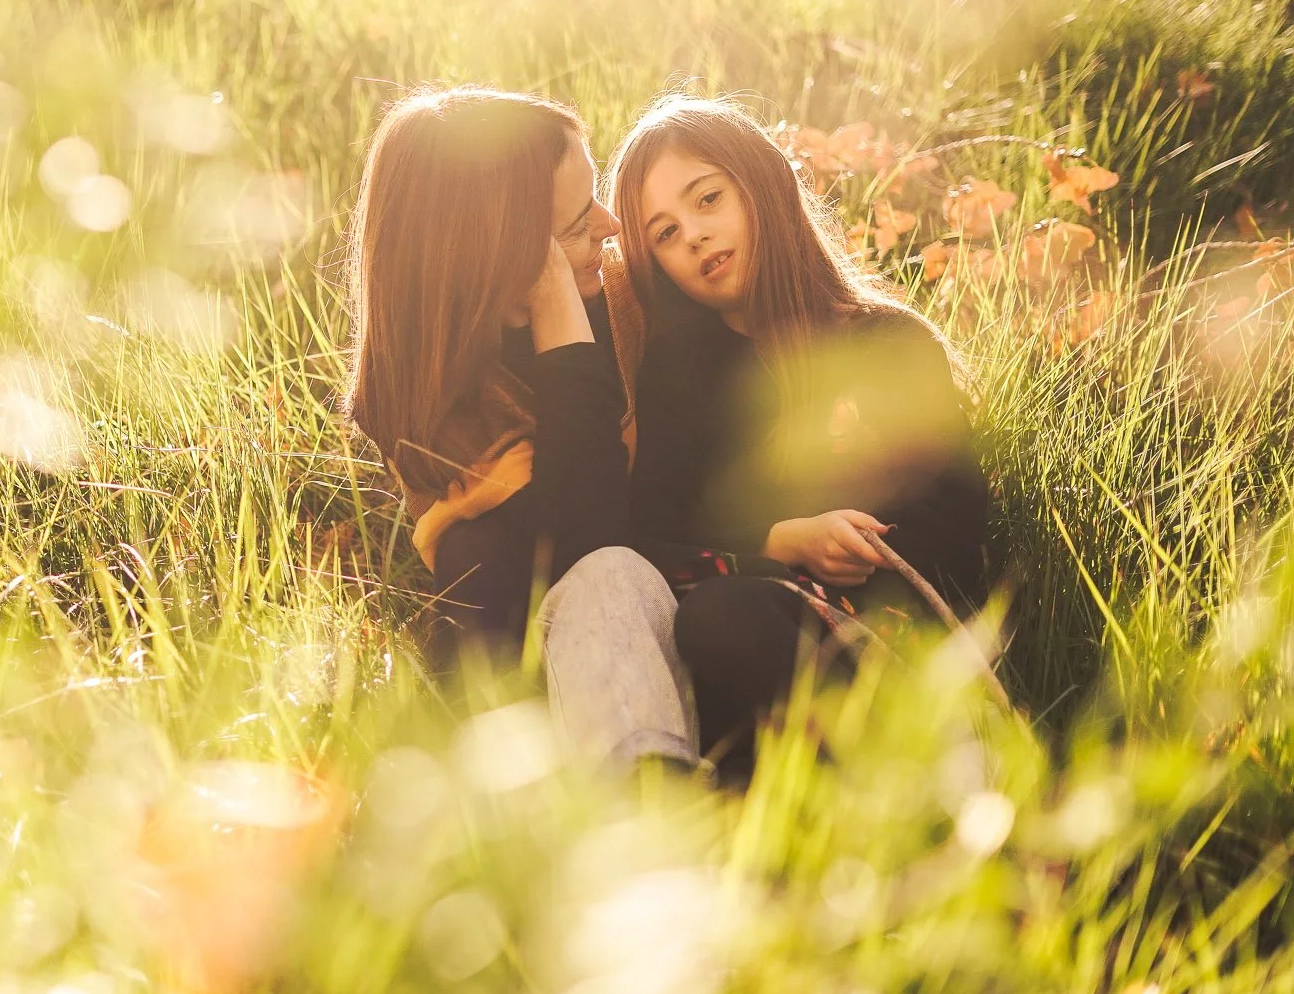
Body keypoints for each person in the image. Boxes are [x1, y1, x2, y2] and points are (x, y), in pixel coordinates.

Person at [612, 95, 990, 774]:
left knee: (723, 618)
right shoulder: (678, 383)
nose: (693, 235)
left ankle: (906, 774)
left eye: (708, 199)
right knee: (717, 619)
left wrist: (861, 551)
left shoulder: (886, 341)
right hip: (741, 646)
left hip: (882, 642)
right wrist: (777, 542)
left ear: (762, 184)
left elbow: (960, 523)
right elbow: (652, 531)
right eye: (664, 234)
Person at [341, 86, 700, 767]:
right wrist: (558, 314)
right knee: (479, 559)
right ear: (501, 268)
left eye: (595, 196)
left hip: (691, 605)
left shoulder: (634, 299)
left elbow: (605, 555)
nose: (611, 227)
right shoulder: (435, 411)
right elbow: (584, 545)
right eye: (577, 225)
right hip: (554, 665)